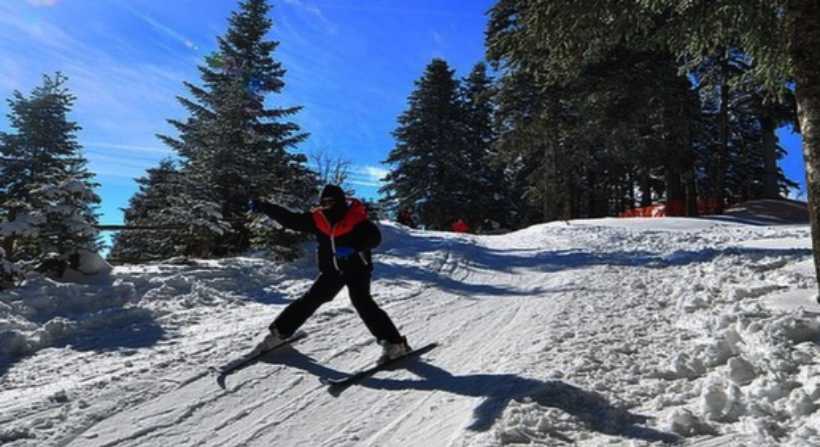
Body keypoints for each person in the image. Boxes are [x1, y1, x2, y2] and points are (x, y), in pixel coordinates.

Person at [250, 185, 411, 364]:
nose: (327, 205)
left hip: (357, 268)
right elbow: (290, 220)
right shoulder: (318, 219)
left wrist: (354, 247)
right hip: (332, 270)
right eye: (324, 202)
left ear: (340, 201)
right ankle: (280, 333)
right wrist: (265, 207)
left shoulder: (356, 218)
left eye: (331, 201)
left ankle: (395, 343)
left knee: (362, 301)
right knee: (312, 298)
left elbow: (374, 238)